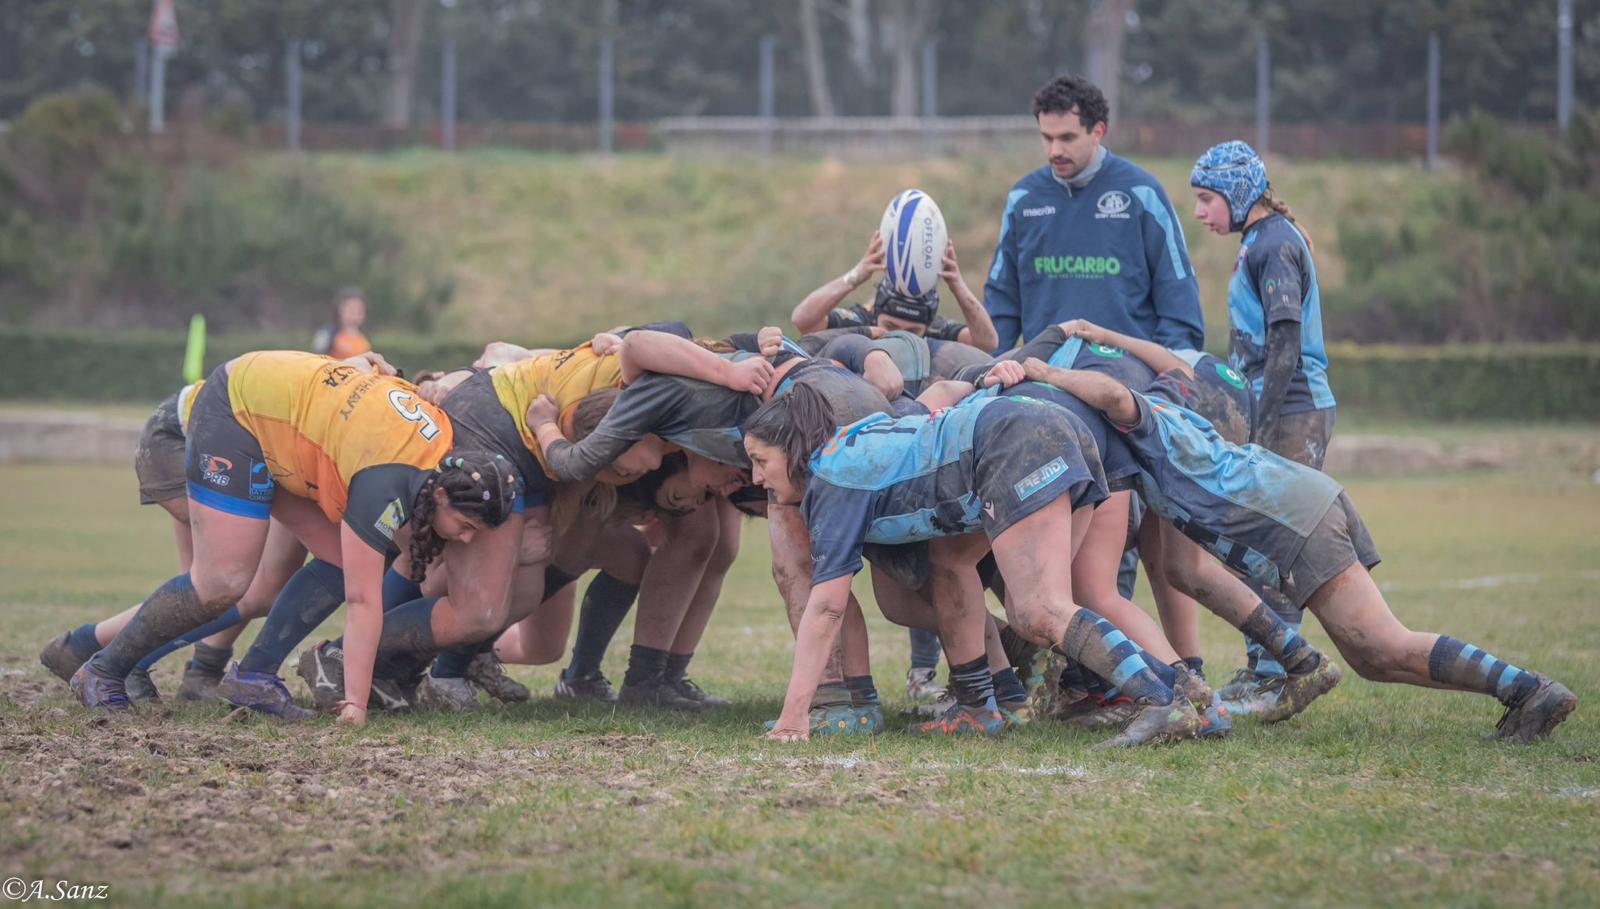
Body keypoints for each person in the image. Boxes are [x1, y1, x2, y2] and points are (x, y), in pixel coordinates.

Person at [1019, 358, 1578, 744]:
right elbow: (1183, 569)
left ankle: (1529, 689)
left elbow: (1115, 394)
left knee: (1383, 644)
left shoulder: (1138, 421)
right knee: (1371, 660)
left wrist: (1046, 373)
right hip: (1300, 503)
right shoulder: (1161, 436)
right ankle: (1521, 693)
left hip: (1293, 517)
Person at [744, 381, 1204, 748]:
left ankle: (1163, 699)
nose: (756, 477)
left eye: (760, 460)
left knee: (1041, 610)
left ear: (793, 447)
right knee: (975, 578)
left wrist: (793, 717)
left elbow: (827, 607)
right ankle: (981, 707)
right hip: (1047, 426)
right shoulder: (850, 446)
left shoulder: (831, 477)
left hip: (1013, 440)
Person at [70, 350, 516, 726]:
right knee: (223, 580)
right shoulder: (388, 481)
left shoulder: (436, 459)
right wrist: (356, 704)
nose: (464, 540)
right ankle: (104, 669)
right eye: (466, 527)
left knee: (342, 561)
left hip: (279, 417)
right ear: (440, 495)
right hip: (238, 408)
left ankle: (255, 677)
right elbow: (363, 602)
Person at [38, 382, 301, 703]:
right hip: (192, 435)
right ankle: (94, 650)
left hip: (227, 438)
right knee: (224, 585)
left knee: (246, 587)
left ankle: (200, 670)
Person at [1190, 140, 1337, 712]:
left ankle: (1277, 674)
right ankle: (1263, 666)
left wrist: (1260, 427)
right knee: (1254, 538)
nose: (1199, 212)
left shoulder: (1274, 243)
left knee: (1277, 541)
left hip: (1293, 409)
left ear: (1237, 192)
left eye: (1206, 199)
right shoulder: (1259, 239)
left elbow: (1285, 342)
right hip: (1278, 408)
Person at [983, 74, 1203, 354]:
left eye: (1067, 138)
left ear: (1098, 131)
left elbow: (1178, 299)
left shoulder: (1143, 193)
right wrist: (987, 367)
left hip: (1126, 371)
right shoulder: (1023, 199)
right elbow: (1001, 306)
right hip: (1045, 371)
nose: (1055, 150)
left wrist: (1171, 370)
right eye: (1047, 138)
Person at [792, 233, 999, 353]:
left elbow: (987, 343)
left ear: (927, 326)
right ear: (876, 313)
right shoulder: (861, 323)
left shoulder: (936, 332)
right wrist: (856, 275)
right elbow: (803, 320)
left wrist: (958, 286)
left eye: (913, 332)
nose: (900, 338)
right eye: (890, 327)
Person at [311, 287, 372, 360]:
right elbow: (317, 358)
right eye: (350, 309)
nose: (355, 313)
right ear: (339, 309)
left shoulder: (364, 338)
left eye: (359, 309)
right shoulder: (327, 333)